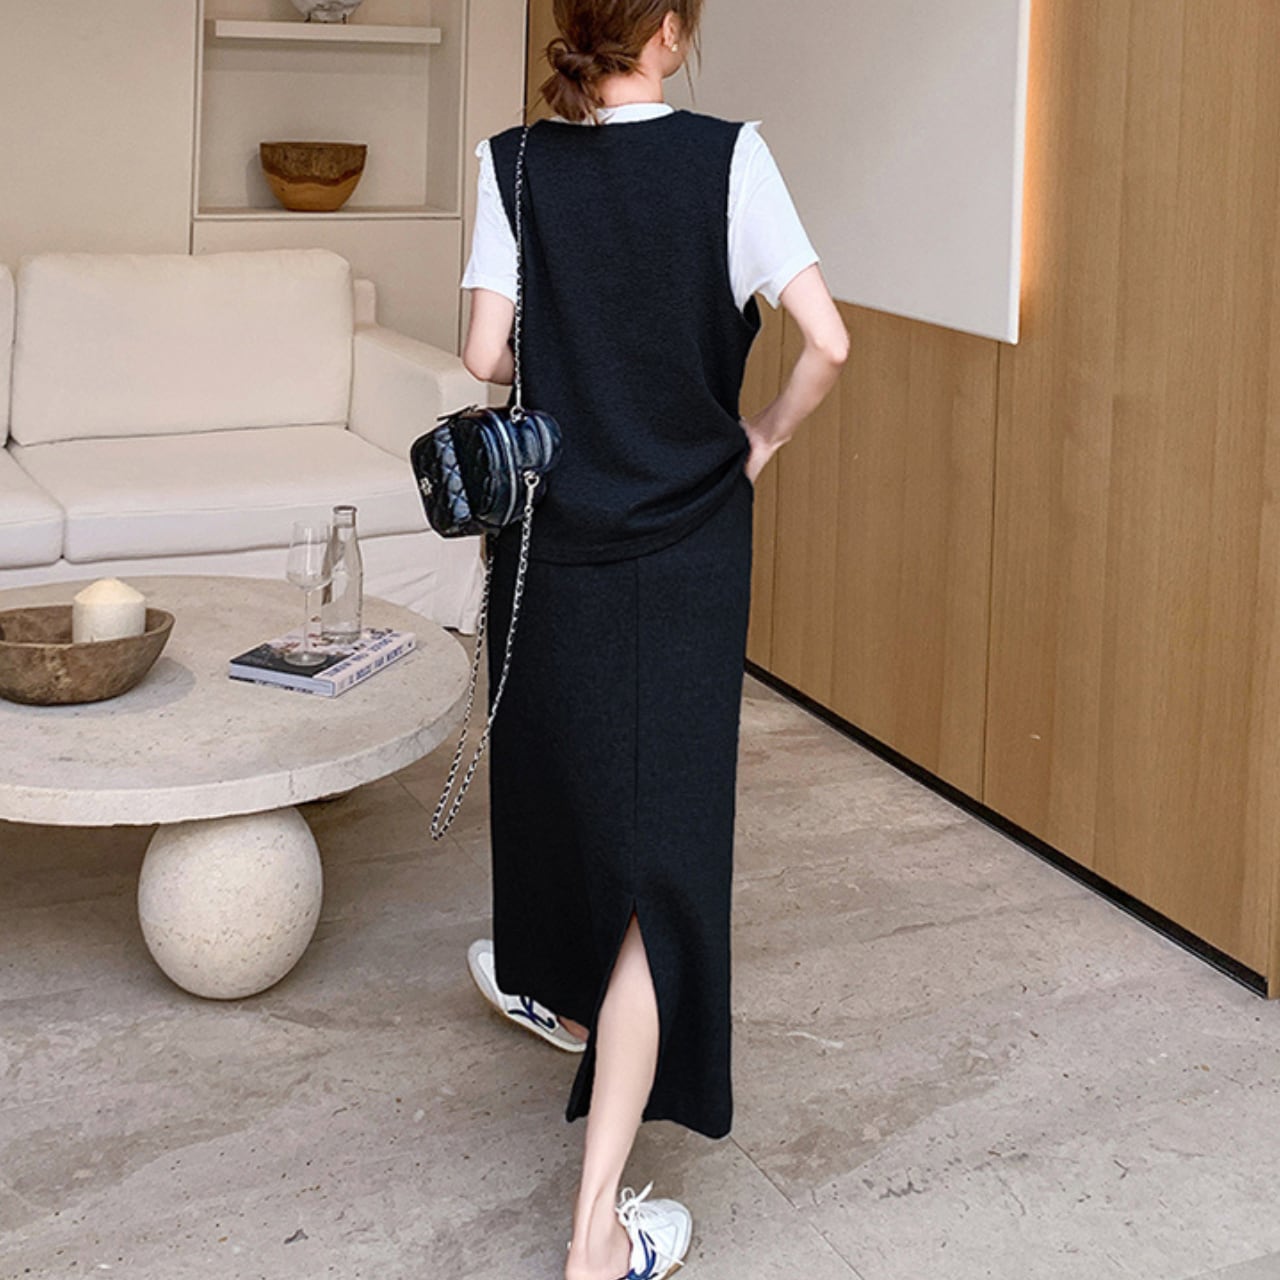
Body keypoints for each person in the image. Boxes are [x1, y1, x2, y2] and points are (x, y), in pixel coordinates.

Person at [458, 3, 848, 1276]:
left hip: (552, 549)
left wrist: (572, 337)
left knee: (566, 794)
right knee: (660, 869)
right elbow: (827, 341)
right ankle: (593, 1237)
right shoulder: (728, 157)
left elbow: (483, 354)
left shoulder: (513, 160)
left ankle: (567, 1002)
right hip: (684, 555)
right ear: (670, 32)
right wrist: (758, 440)